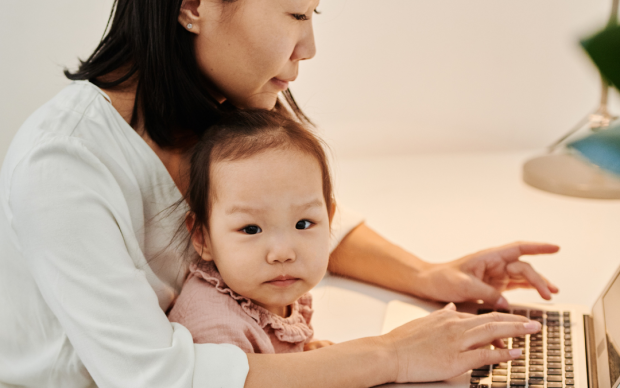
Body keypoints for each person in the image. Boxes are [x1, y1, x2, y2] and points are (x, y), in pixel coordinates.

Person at [0, 0, 559, 386]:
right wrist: (391, 355)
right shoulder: (63, 166)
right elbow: (153, 376)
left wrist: (427, 275)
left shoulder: (215, 104)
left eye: (312, 14)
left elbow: (291, 219)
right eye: (295, 13)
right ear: (193, 6)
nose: (308, 46)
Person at [168, 110, 335, 353]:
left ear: (329, 219)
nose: (282, 253)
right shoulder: (215, 329)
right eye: (251, 229)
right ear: (202, 237)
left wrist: (306, 352)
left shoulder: (277, 286)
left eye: (303, 224)